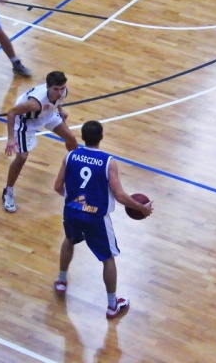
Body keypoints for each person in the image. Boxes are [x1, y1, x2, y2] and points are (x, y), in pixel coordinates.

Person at [53, 121, 153, 319]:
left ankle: (61, 280)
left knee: (69, 240)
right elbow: (120, 196)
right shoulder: (108, 162)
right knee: (108, 259)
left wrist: (74, 201)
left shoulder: (70, 156)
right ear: (101, 137)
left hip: (72, 211)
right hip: (95, 218)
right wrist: (142, 208)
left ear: (82, 137)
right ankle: (112, 305)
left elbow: (57, 187)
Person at [3, 71, 78, 213]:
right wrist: (11, 138)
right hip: (25, 121)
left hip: (47, 114)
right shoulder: (34, 103)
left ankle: (76, 168)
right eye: (56, 89)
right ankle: (8, 191)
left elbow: (57, 100)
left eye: (62, 88)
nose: (60, 92)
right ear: (48, 87)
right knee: (22, 157)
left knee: (71, 138)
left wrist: (60, 110)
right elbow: (11, 112)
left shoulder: (63, 91)